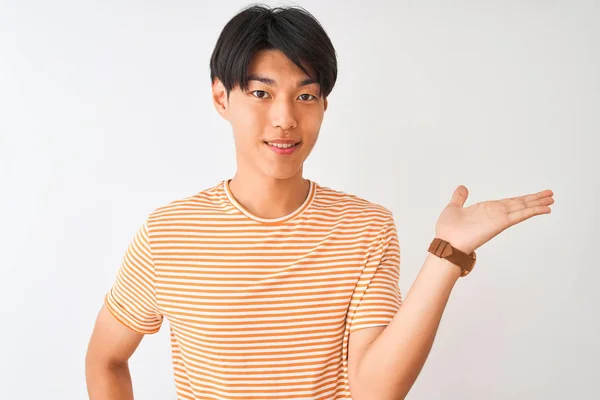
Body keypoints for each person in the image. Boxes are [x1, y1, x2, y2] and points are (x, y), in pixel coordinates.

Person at [85, 4, 554, 400]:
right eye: (261, 93)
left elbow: (374, 391)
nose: (286, 118)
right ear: (220, 97)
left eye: (305, 95)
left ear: (324, 105)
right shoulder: (169, 234)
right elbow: (106, 360)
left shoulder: (367, 228)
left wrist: (447, 255)